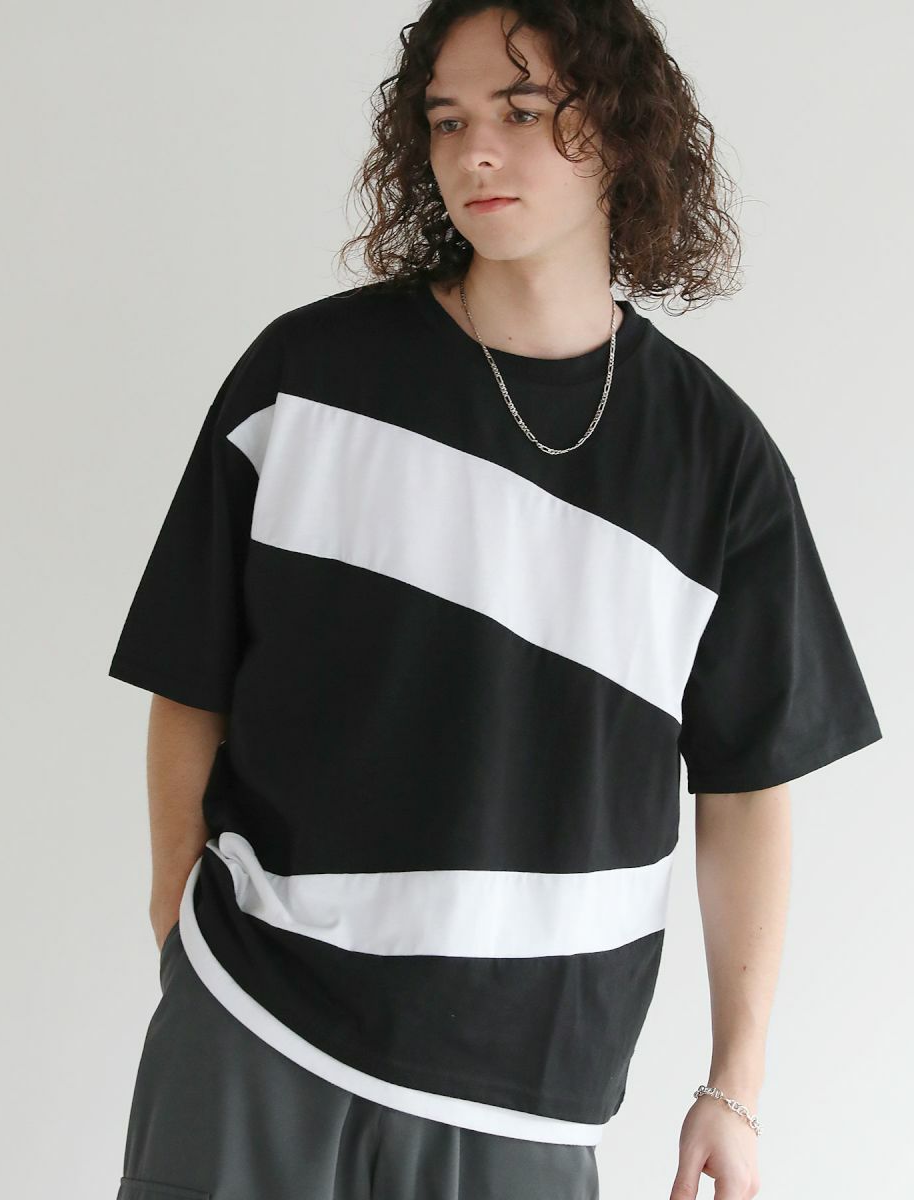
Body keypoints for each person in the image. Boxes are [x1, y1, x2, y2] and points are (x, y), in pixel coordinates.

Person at [107, 4, 883, 1198]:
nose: (475, 150)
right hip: (257, 1026)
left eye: (523, 112)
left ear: (618, 130)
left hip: (527, 1084)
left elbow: (745, 791)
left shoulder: (716, 461)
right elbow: (189, 678)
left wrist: (733, 1086)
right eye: (446, 119)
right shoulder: (303, 381)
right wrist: (179, 922)